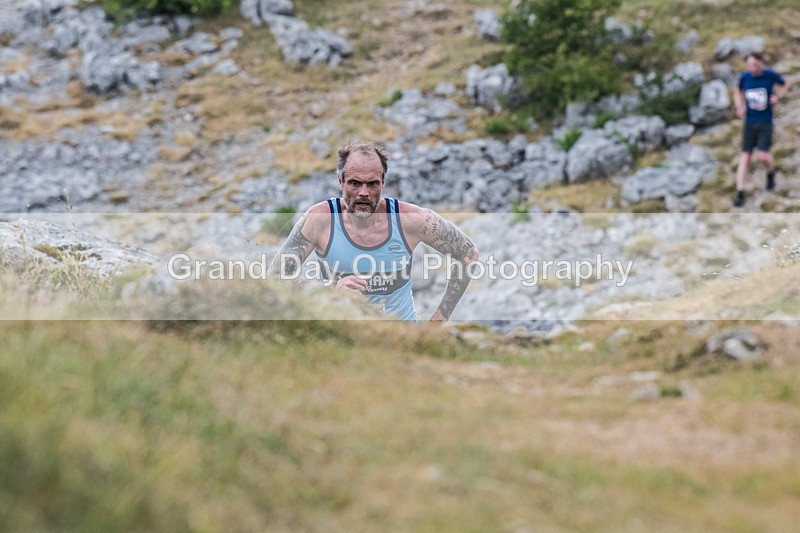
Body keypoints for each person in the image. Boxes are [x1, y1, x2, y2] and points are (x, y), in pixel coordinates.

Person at [269, 140, 479, 322]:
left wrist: (440, 317)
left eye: (372, 184)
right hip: (342, 336)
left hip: (401, 341)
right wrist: (328, 290)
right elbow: (275, 278)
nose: (363, 193)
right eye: (354, 183)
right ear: (340, 181)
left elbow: (468, 253)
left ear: (383, 183)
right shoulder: (320, 219)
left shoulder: (410, 219)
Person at [733, 52, 789, 207]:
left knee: (763, 156)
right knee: (745, 156)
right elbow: (737, 91)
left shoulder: (769, 75)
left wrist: (778, 97)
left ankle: (770, 172)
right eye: (750, 65)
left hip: (765, 122)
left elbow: (785, 83)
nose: (753, 68)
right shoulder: (745, 77)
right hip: (749, 122)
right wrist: (739, 107)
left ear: (761, 64)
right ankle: (740, 192)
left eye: (755, 65)